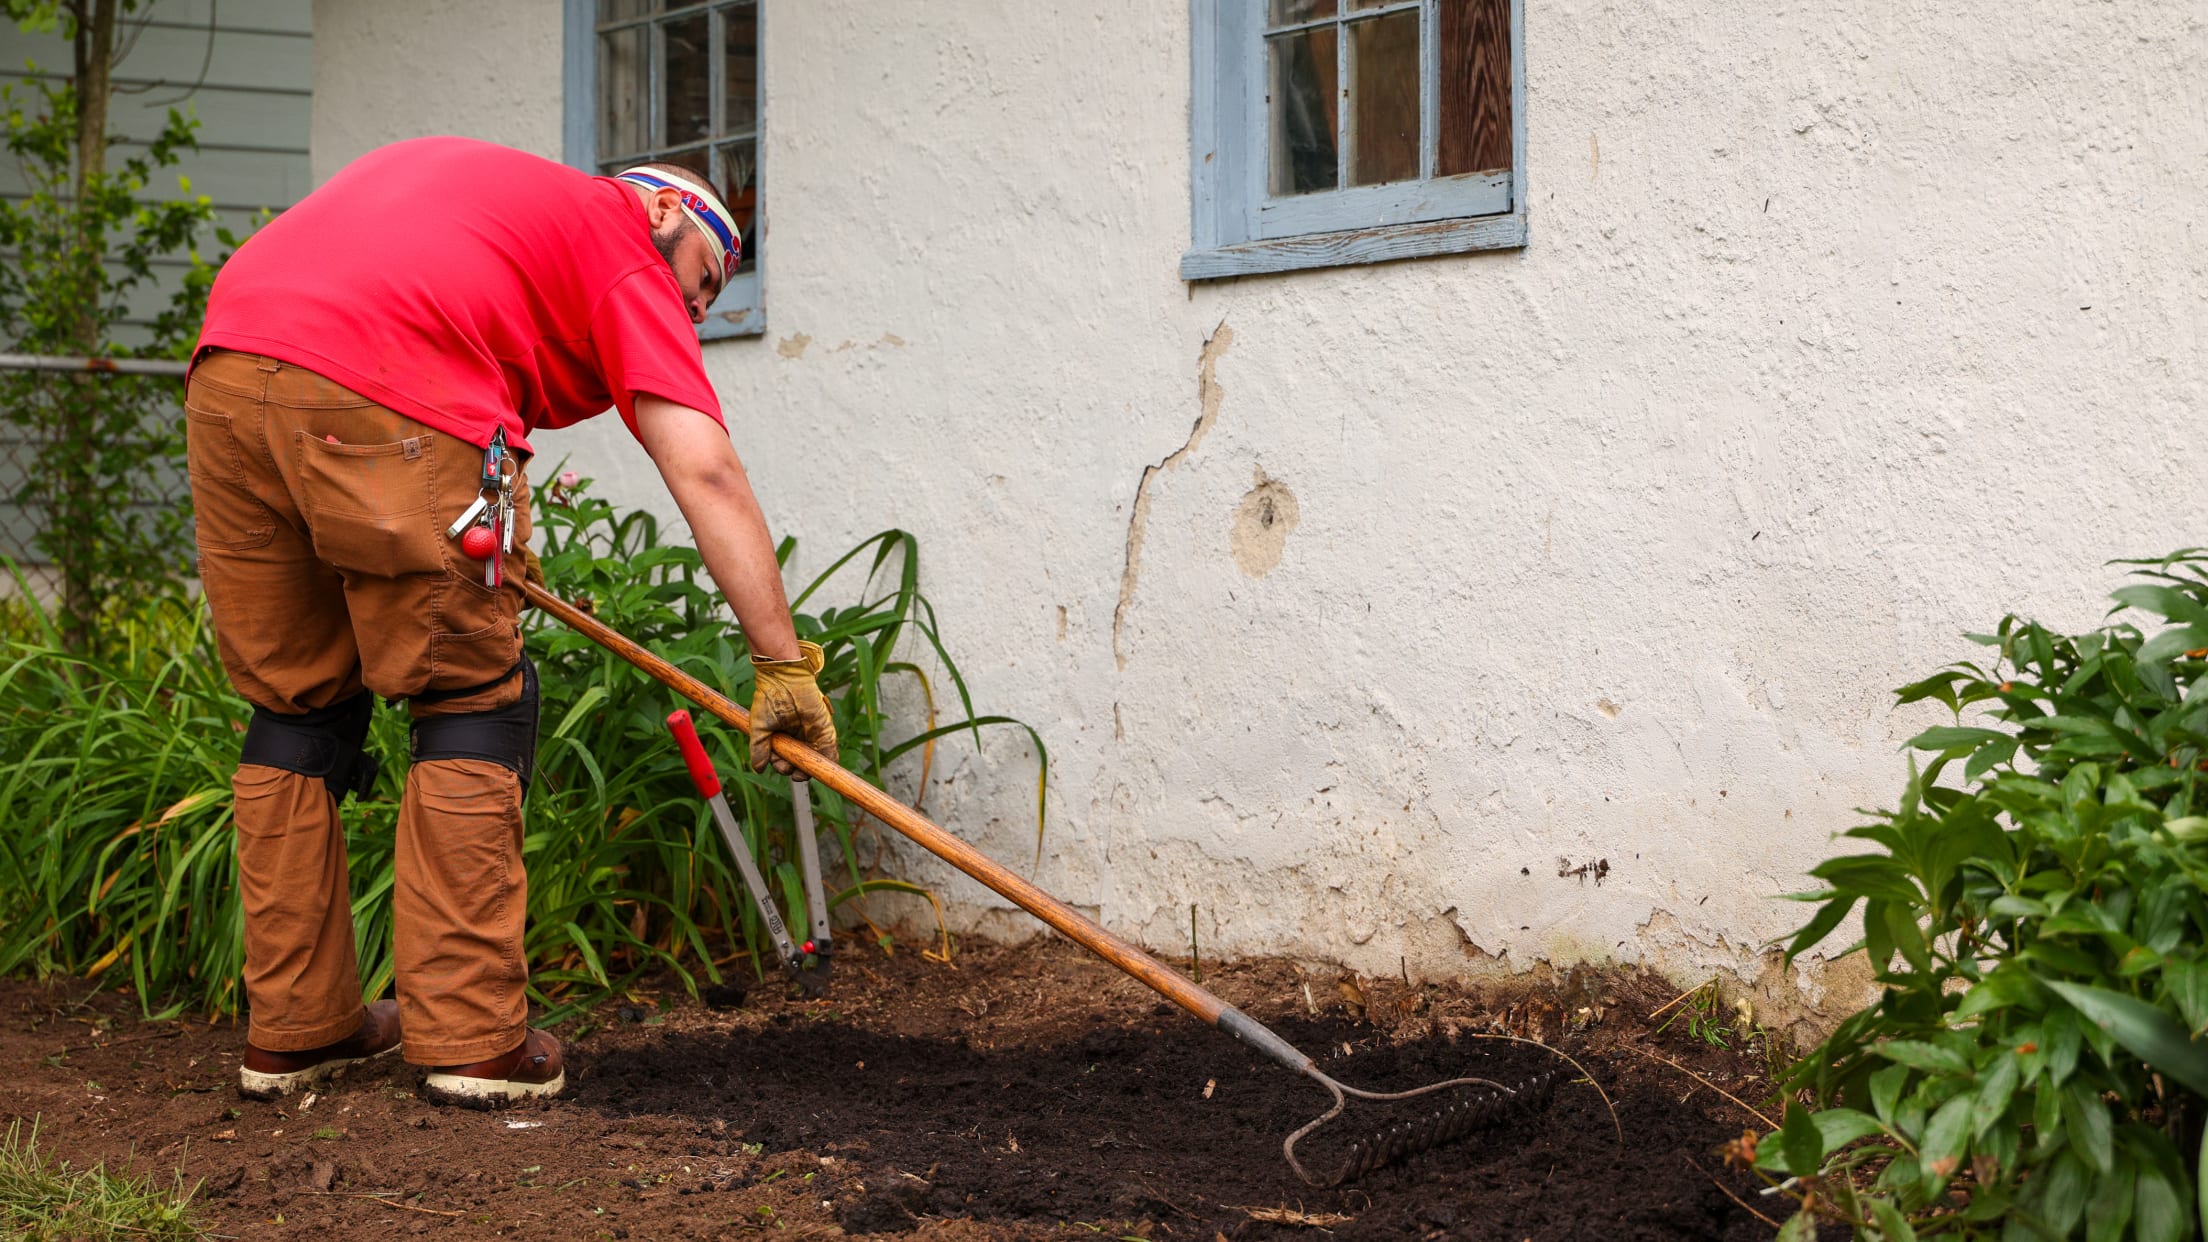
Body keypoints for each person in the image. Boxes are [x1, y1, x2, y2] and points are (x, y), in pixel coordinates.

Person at [185, 136, 837, 1107]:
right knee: (470, 697)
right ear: (662, 213)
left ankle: (297, 1032)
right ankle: (471, 1039)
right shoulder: (618, 237)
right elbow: (703, 466)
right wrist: (783, 666)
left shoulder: (502, 204)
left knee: (296, 706)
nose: (698, 308)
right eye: (707, 275)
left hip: (230, 370)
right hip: (388, 385)